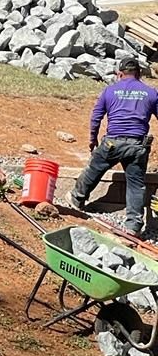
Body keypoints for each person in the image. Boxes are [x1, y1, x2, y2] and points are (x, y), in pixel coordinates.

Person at [67, 57, 158, 237]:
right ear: (139, 74)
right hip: (137, 145)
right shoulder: (151, 93)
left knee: (94, 168)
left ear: (119, 74)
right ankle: (133, 225)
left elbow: (96, 117)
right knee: (136, 184)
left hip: (112, 143)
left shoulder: (110, 91)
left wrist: (92, 139)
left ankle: (77, 199)